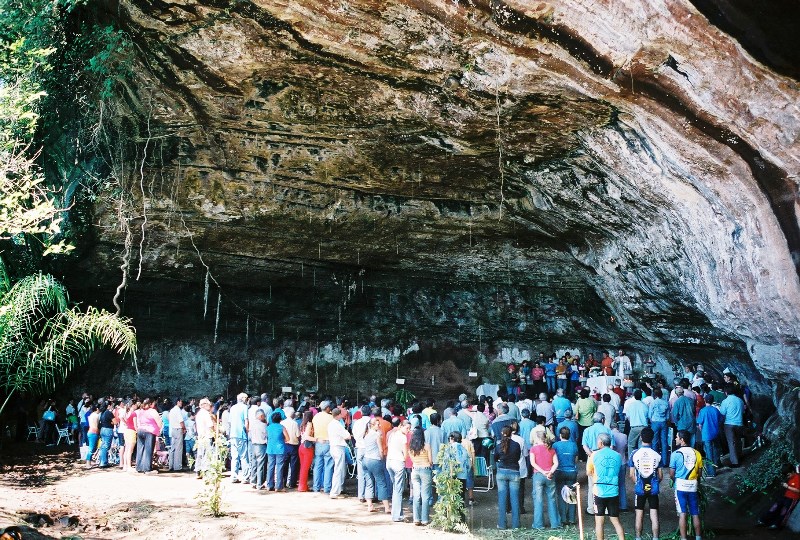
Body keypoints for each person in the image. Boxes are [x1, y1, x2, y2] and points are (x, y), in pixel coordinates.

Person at [587, 433, 625, 540]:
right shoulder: (618, 456)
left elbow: (588, 472)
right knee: (615, 520)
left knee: (599, 522)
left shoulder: (594, 455)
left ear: (601, 443)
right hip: (613, 491)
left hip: (599, 491)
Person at [629, 427, 662, 540]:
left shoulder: (634, 453)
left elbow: (631, 475)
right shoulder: (657, 454)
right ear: (652, 438)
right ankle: (655, 538)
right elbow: (660, 476)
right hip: (653, 488)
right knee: (654, 515)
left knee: (639, 514)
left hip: (640, 489)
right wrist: (654, 482)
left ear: (641, 437)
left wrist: (638, 483)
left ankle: (638, 537)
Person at [670, 430, 703, 540]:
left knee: (682, 513)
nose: (675, 439)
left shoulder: (675, 454)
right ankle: (698, 537)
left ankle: (683, 538)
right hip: (693, 486)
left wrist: (675, 480)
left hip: (680, 486)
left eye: (677, 437)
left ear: (682, 440)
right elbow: (699, 474)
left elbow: (671, 474)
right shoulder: (697, 453)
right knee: (695, 513)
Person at [530, 429, 560, 529]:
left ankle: (538, 524)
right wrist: (550, 472)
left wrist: (543, 472)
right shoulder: (551, 449)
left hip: (538, 476)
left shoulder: (533, 449)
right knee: (552, 499)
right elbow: (556, 463)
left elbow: (533, 463)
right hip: (550, 476)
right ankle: (555, 524)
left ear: (537, 438)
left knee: (538, 500)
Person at [361, 416, 391, 513]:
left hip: (365, 459)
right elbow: (380, 450)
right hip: (375, 460)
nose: (379, 425)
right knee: (381, 483)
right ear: (372, 425)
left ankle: (370, 505)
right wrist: (382, 459)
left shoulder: (366, 434)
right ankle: (386, 507)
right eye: (378, 424)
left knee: (369, 483)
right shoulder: (376, 435)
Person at [494, 425, 521, 529]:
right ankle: (516, 525)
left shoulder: (498, 445)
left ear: (502, 433)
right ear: (511, 433)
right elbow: (518, 457)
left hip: (501, 472)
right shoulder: (516, 445)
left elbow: (495, 458)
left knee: (502, 499)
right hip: (514, 471)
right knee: (515, 499)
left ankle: (502, 524)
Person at [758, 464, 800, 530]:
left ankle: (776, 525)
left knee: (784, 511)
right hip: (785, 496)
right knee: (774, 507)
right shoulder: (790, 477)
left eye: (788, 475)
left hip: (792, 499)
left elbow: (798, 490)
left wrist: (787, 486)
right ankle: (763, 520)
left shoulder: (798, 478)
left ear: (792, 471)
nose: (787, 476)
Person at [553, 426, 578, 525]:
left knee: (560, 495)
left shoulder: (555, 445)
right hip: (571, 471)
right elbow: (576, 459)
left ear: (560, 435)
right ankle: (571, 518)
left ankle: (563, 518)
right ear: (569, 435)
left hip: (559, 471)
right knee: (571, 494)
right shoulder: (573, 445)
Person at [408, 423, 432, 526]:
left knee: (416, 495)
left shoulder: (411, 447)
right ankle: (425, 519)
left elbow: (412, 460)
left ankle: (416, 519)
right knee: (425, 495)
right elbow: (430, 461)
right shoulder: (427, 446)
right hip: (425, 469)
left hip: (415, 470)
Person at [387, 419, 410, 522]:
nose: (408, 430)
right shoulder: (403, 437)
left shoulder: (392, 434)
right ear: (401, 426)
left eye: (409, 429)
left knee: (395, 488)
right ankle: (397, 515)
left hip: (389, 462)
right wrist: (404, 461)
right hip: (398, 462)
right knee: (398, 490)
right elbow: (405, 454)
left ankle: (396, 513)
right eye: (407, 428)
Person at [696, 394, 723, 477]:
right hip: (716, 433)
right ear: (712, 401)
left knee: (709, 453)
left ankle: (711, 472)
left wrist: (702, 431)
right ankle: (717, 465)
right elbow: (720, 420)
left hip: (706, 434)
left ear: (705, 400)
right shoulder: (715, 410)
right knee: (716, 450)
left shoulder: (703, 410)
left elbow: (700, 424)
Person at [719, 385, 745, 468]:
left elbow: (722, 412)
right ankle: (740, 456)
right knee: (738, 440)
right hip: (739, 423)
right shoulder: (740, 400)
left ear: (726, 392)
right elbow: (743, 411)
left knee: (731, 442)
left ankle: (735, 462)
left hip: (729, 423)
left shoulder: (725, 401)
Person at [312, 400, 335, 493]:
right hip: (328, 442)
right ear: (328, 408)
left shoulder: (315, 417)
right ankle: (327, 487)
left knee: (317, 466)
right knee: (328, 465)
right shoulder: (331, 418)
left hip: (318, 442)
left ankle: (316, 487)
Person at [135, 398, 162, 473]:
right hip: (150, 431)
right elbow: (159, 422)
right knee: (148, 450)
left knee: (140, 449)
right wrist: (159, 430)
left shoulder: (141, 411)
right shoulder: (153, 411)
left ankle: (139, 467)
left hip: (140, 430)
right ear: (151, 404)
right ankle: (147, 468)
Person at [228, 393, 249, 483]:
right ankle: (245, 477)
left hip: (233, 434)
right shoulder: (245, 407)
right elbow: (246, 421)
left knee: (234, 457)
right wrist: (247, 432)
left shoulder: (232, 408)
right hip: (241, 434)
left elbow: (229, 422)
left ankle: (234, 476)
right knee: (244, 457)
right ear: (244, 399)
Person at [266, 411, 289, 491]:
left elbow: (266, 437)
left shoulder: (268, 427)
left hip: (270, 448)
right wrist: (282, 440)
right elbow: (288, 438)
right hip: (280, 449)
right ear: (280, 419)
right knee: (279, 467)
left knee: (270, 467)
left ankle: (269, 485)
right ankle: (278, 486)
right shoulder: (282, 427)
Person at [648, 389, 670, 467]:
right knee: (664, 442)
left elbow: (649, 415)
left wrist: (652, 420)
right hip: (664, 422)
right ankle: (664, 462)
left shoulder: (653, 403)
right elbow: (668, 416)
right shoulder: (666, 402)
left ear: (654, 395)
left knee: (654, 441)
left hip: (655, 422)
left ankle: (655, 461)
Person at [625, 389, 649, 457]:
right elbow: (647, 416)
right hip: (643, 427)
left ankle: (631, 459)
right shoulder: (644, 405)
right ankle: (641, 459)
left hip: (634, 427)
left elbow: (628, 417)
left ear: (634, 396)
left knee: (631, 445)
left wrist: (632, 423)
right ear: (641, 396)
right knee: (641, 445)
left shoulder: (630, 405)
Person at [576, 388, 597, 461]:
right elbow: (595, 410)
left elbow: (575, 411)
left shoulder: (579, 401)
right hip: (590, 423)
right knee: (590, 439)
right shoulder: (591, 401)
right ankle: (590, 455)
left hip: (581, 423)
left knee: (581, 439)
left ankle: (581, 457)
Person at [194, 398, 214, 478]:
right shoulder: (206, 414)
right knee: (206, 454)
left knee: (200, 453)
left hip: (200, 436)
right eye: (209, 404)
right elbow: (210, 425)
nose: (210, 406)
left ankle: (198, 470)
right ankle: (205, 470)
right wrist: (214, 432)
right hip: (207, 435)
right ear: (204, 405)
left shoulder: (198, 414)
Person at [281, 411, 301, 488]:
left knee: (284, 465)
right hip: (293, 446)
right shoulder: (295, 423)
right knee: (294, 465)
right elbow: (298, 435)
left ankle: (283, 482)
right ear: (293, 416)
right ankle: (292, 483)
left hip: (285, 445)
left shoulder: (282, 423)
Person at [250, 409, 268, 489]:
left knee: (254, 464)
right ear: (261, 416)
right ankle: (259, 483)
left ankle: (253, 481)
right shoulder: (263, 425)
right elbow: (267, 435)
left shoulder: (252, 424)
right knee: (261, 465)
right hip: (261, 445)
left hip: (253, 445)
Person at [297, 411, 315, 491]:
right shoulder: (309, 424)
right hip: (307, 447)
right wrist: (317, 439)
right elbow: (307, 436)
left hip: (301, 446)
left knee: (303, 467)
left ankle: (302, 485)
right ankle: (302, 487)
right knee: (306, 468)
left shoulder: (302, 424)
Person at [167, 398, 185, 472]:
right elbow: (181, 421)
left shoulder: (171, 410)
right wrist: (184, 428)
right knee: (178, 448)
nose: (181, 403)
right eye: (181, 402)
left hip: (173, 429)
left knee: (173, 448)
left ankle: (171, 465)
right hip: (178, 429)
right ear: (178, 402)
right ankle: (177, 466)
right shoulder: (178, 410)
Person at [122, 400, 139, 472]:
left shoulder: (127, 413)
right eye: (136, 404)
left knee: (126, 449)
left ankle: (125, 466)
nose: (137, 406)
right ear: (133, 405)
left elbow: (123, 419)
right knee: (130, 450)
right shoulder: (134, 413)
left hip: (127, 431)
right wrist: (138, 431)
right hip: (132, 431)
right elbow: (135, 425)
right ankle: (129, 466)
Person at [98, 402, 115, 468]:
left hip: (103, 429)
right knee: (106, 446)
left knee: (103, 446)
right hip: (108, 429)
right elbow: (115, 422)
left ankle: (103, 461)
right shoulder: (109, 413)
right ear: (108, 406)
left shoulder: (102, 413)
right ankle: (103, 463)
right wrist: (111, 422)